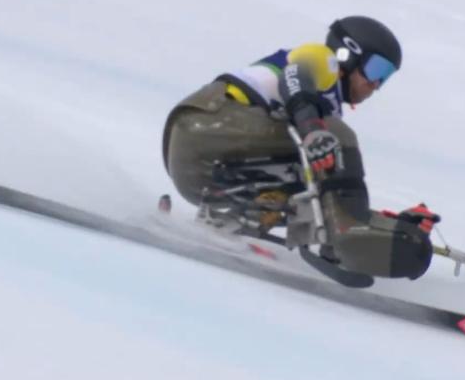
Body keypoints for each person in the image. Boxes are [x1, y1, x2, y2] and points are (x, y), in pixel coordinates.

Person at [161, 16, 435, 279]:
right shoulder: (322, 59)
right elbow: (293, 77)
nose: (375, 84)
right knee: (335, 140)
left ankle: (223, 222)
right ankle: (349, 237)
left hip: (195, 168)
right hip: (209, 123)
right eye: (376, 69)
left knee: (310, 188)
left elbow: (325, 194)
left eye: (384, 77)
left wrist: (394, 226)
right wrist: (313, 130)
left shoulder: (324, 107)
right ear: (348, 54)